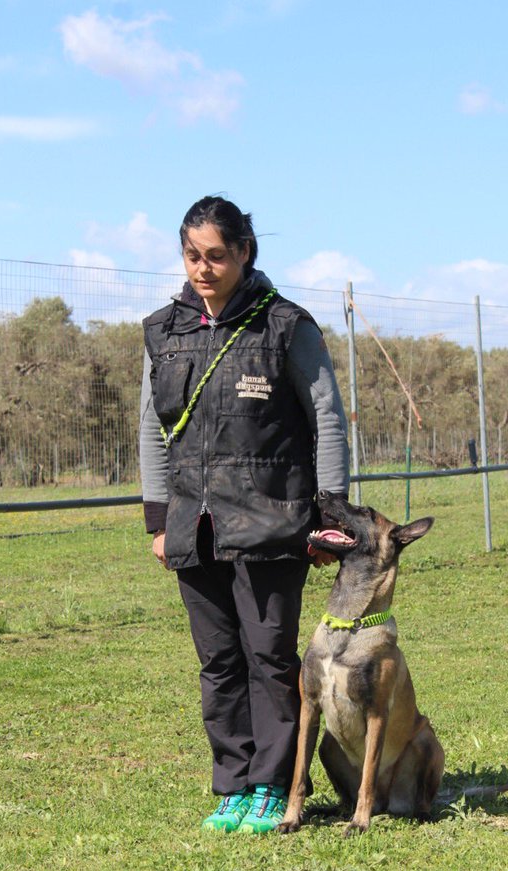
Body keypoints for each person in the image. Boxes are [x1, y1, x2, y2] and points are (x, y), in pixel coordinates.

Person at [140, 196, 349, 834]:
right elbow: (151, 427)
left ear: (245, 254)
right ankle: (232, 784)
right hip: (192, 524)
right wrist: (157, 519)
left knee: (268, 658)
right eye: (193, 255)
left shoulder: (286, 325)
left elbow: (329, 422)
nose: (204, 269)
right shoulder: (164, 329)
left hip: (272, 522)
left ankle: (274, 785)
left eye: (217, 256)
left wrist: (331, 515)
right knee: (218, 663)